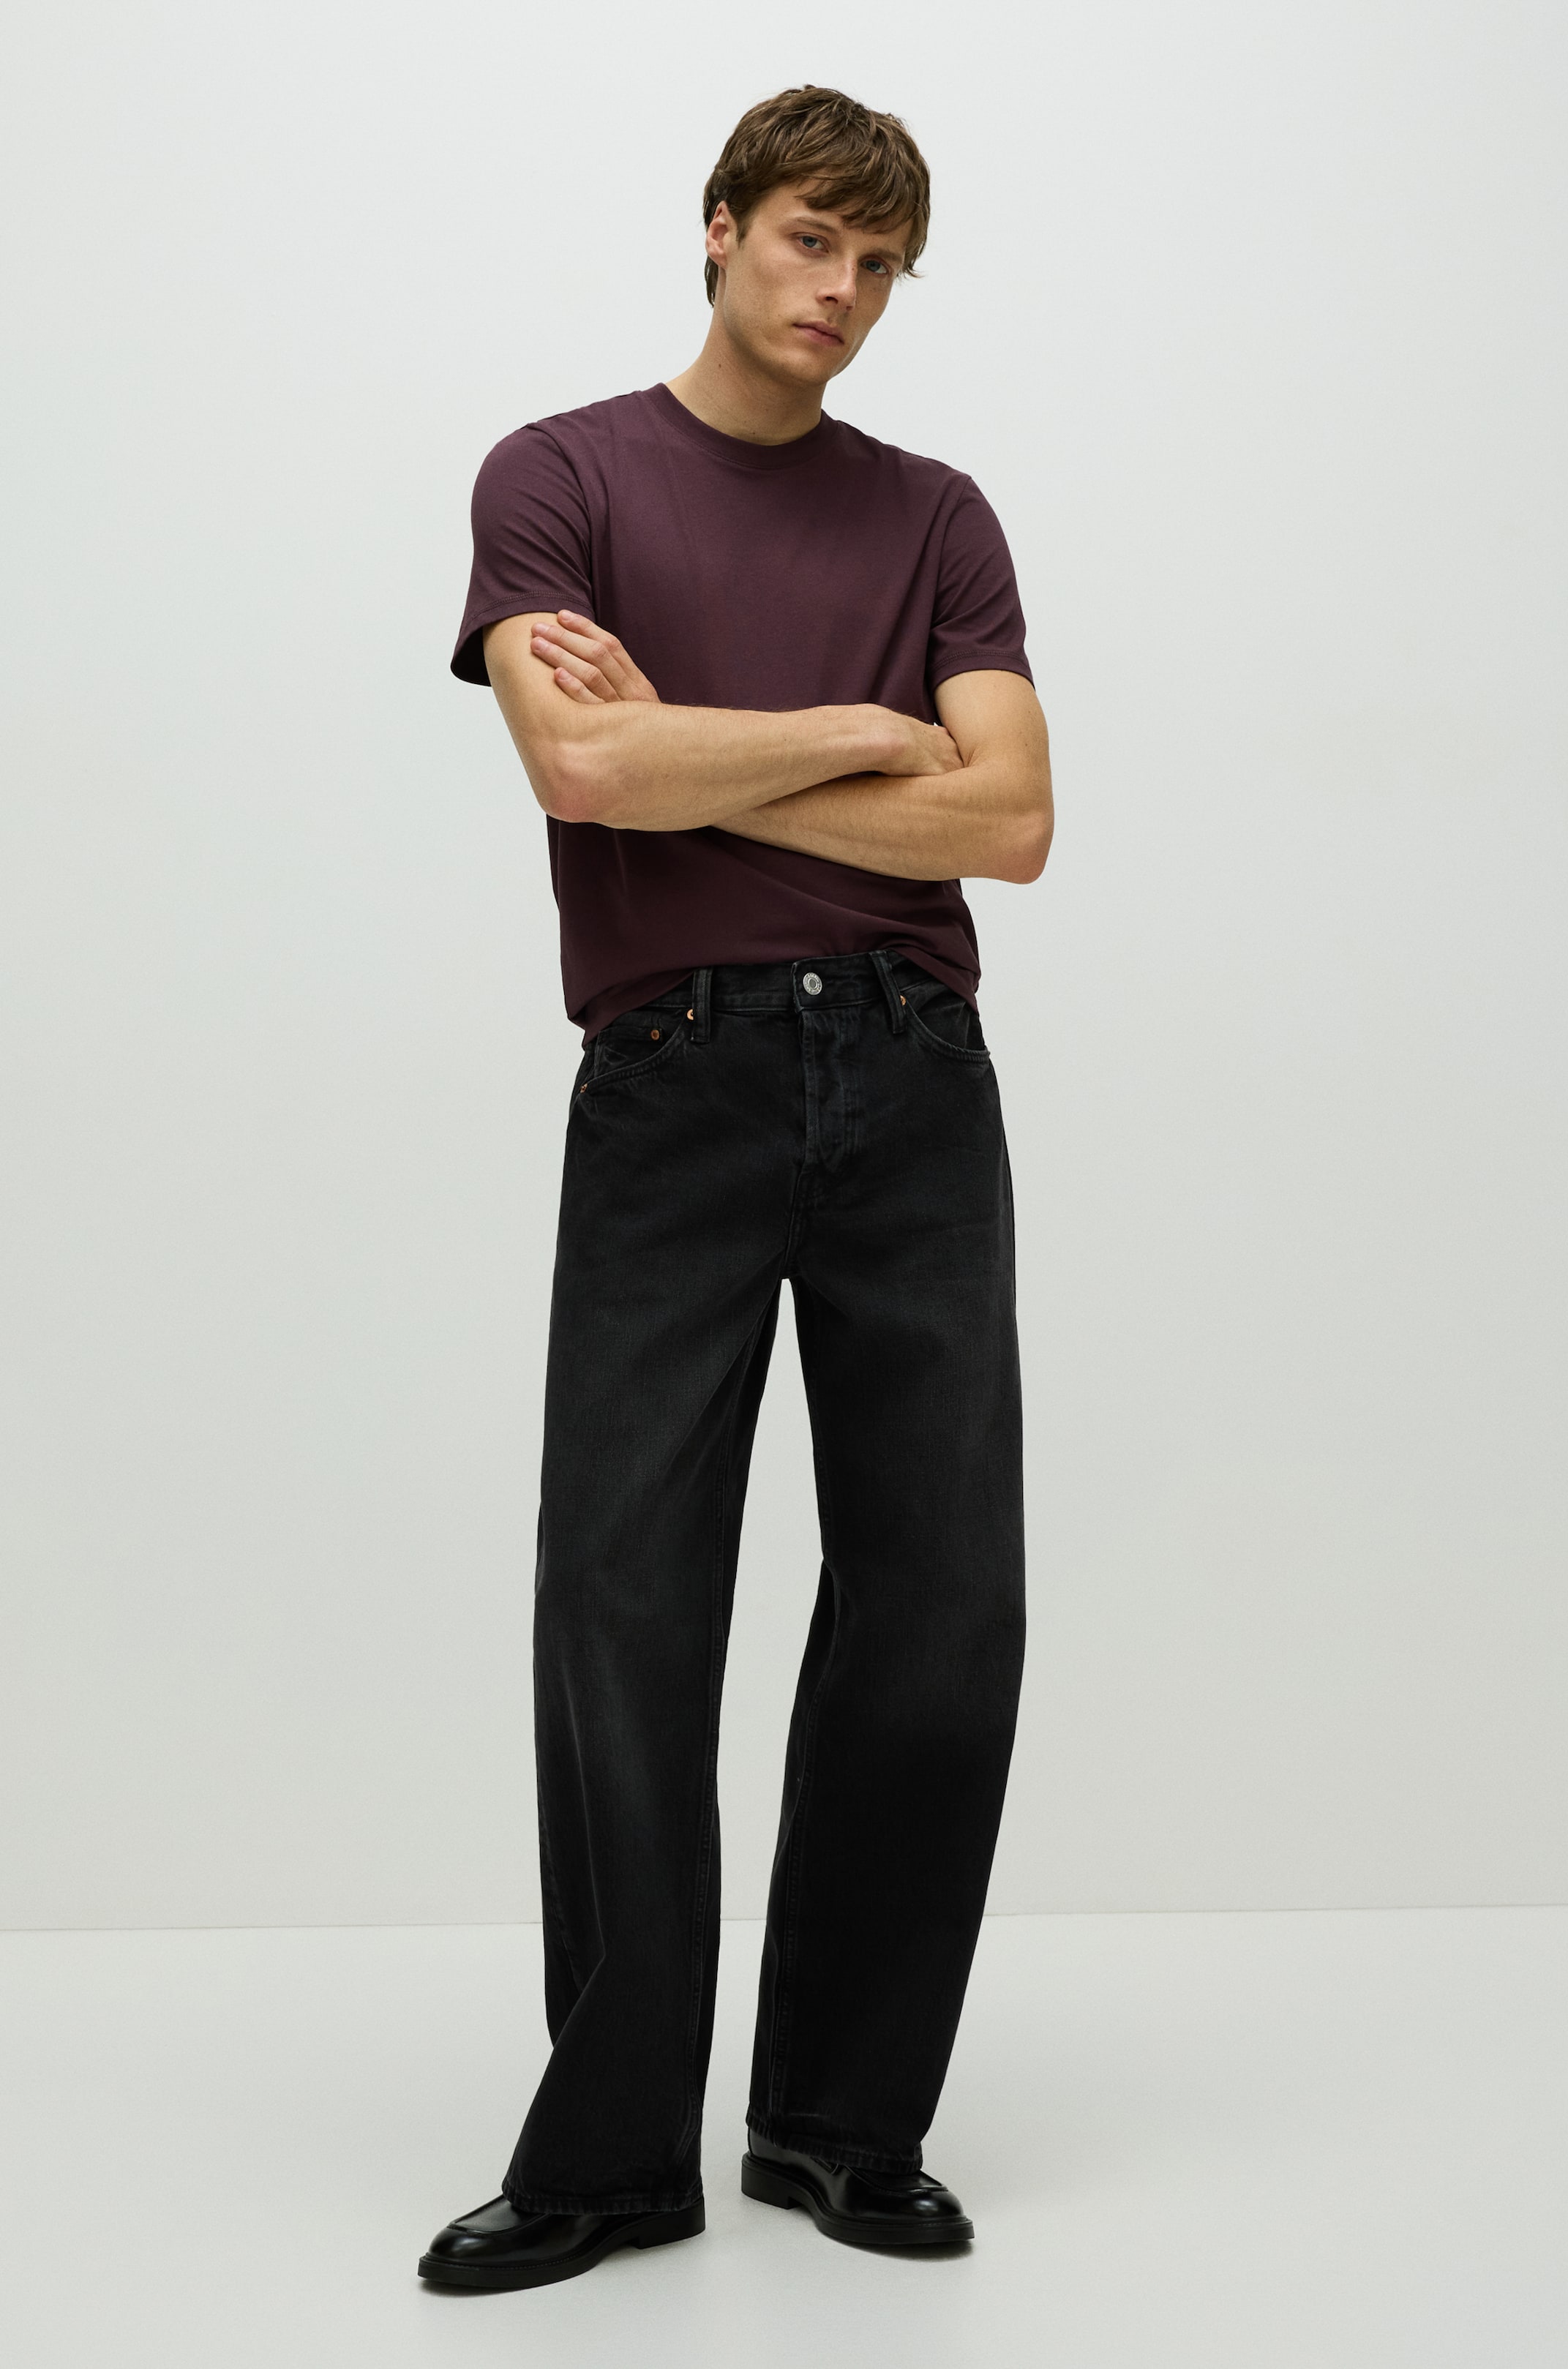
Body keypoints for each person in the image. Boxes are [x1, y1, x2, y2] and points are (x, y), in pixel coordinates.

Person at [419, 83, 1052, 2294]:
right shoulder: (559, 477)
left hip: (913, 1078)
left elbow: (1013, 826)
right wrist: (871, 733)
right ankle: (612, 2156)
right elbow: (581, 765)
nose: (842, 291)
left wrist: (702, 751)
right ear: (718, 229)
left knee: (940, 1605)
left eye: (880, 265)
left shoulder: (941, 515)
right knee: (622, 1596)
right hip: (672, 1074)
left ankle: (840, 2123)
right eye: (809, 240)